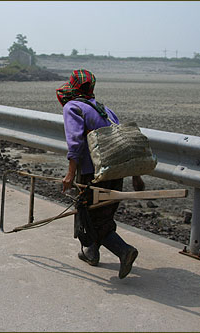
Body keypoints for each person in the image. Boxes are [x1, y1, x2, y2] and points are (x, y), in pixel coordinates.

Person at [56, 69, 144, 279]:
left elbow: (75, 142)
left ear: (72, 86)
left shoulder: (73, 107)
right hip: (115, 171)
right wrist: (135, 175)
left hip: (91, 172)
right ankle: (91, 252)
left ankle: (124, 251)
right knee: (103, 213)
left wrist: (70, 174)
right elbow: (123, 142)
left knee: (90, 216)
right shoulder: (106, 109)